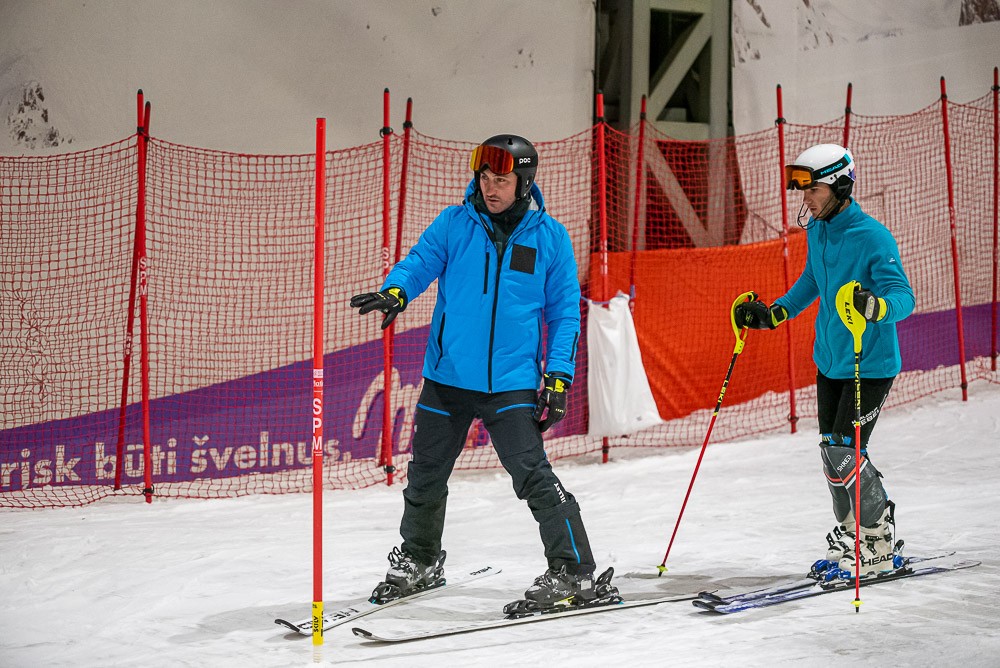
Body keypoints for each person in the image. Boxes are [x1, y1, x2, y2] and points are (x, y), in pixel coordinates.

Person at [350, 134, 608, 610]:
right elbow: (419, 263)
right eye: (485, 177)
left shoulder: (550, 238)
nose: (490, 187)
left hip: (510, 383)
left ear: (524, 182)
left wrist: (558, 378)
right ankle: (420, 560)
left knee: (533, 477)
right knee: (425, 475)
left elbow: (565, 314)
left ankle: (574, 572)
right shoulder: (455, 223)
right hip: (446, 377)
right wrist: (396, 291)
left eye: (502, 180)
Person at [734, 143, 915, 577]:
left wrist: (878, 307)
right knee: (832, 455)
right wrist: (775, 313)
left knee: (847, 453)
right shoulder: (817, 229)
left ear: (840, 187)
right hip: (831, 360)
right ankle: (852, 532)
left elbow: (903, 297)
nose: (806, 199)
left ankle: (878, 540)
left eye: (813, 190)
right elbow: (813, 280)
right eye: (804, 190)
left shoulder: (873, 237)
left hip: (869, 362)